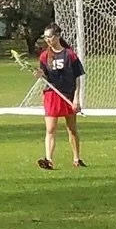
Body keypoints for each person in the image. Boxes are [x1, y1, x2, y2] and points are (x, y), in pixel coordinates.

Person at [35, 23, 86, 170]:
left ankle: (77, 158)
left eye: (50, 37)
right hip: (52, 94)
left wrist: (76, 98)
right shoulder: (45, 56)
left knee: (71, 128)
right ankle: (49, 160)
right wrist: (40, 75)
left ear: (57, 36)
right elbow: (45, 75)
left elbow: (77, 77)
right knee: (50, 128)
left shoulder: (70, 55)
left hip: (68, 94)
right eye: (45, 38)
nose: (48, 40)